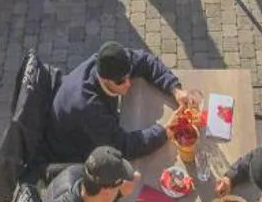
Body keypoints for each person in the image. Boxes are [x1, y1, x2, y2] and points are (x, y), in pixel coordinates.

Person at [45, 40, 195, 162]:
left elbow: (146, 61)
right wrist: (164, 131)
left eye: (129, 76)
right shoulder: (89, 107)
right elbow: (122, 147)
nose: (128, 84)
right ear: (105, 79)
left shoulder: (112, 63)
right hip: (71, 150)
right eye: (120, 82)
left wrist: (175, 89)